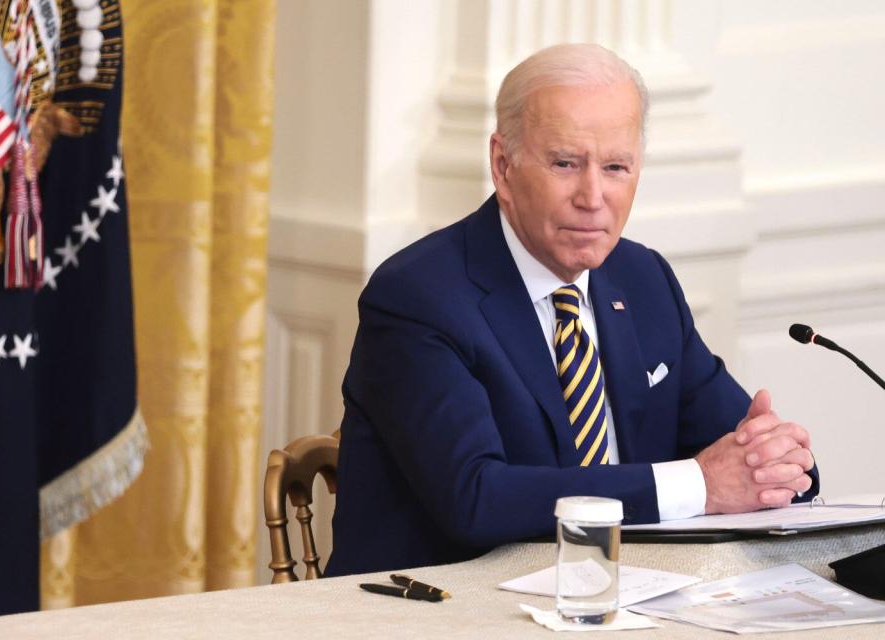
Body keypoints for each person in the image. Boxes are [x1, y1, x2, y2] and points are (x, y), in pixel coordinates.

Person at [326, 44, 818, 576]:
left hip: (625, 603)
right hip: (431, 610)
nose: (593, 196)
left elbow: (752, 461)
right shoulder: (418, 297)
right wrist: (698, 483)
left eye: (615, 167)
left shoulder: (643, 279)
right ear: (503, 165)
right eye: (565, 163)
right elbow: (476, 498)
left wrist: (776, 462)